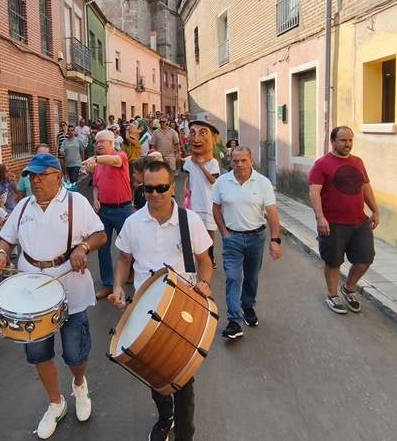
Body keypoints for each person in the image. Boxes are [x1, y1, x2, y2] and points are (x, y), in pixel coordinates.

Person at [0, 154, 107, 439]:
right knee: (39, 353)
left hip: (71, 287)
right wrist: (1, 252)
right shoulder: (24, 205)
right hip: (31, 292)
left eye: (41, 175)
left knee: (75, 352)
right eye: (32, 176)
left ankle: (79, 384)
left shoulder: (76, 202)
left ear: (57, 175)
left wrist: (83, 249)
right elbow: (7, 237)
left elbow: (100, 234)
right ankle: (56, 402)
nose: (35, 181)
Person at [108, 160, 213, 441]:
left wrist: (204, 283)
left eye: (161, 188)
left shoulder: (189, 221)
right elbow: (123, 260)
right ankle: (166, 417)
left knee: (182, 376)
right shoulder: (132, 222)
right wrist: (118, 286)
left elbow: (205, 262)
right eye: (148, 188)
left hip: (181, 305)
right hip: (143, 306)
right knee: (155, 372)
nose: (154, 194)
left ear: (172, 188)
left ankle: (185, 434)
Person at [211, 147, 283, 340]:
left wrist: (275, 240)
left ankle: (247, 306)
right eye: (235, 161)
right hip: (232, 238)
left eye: (243, 160)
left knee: (251, 276)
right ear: (230, 162)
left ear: (251, 160)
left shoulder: (262, 183)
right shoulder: (222, 182)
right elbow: (216, 208)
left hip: (256, 238)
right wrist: (224, 232)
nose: (239, 165)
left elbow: (272, 213)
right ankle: (234, 321)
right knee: (233, 277)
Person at [308, 127, 381, 314]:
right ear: (333, 141)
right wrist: (320, 217)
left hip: (359, 221)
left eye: (350, 140)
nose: (347, 144)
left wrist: (375, 210)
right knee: (333, 262)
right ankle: (332, 295)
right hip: (333, 222)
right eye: (343, 140)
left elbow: (366, 187)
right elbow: (314, 191)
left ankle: (348, 288)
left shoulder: (358, 162)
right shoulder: (322, 164)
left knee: (365, 259)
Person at [81, 129, 133, 300]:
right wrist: (95, 199)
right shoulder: (98, 165)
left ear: (112, 143)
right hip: (104, 210)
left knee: (129, 245)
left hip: (122, 209)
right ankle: (108, 283)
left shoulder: (121, 157)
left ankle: (132, 273)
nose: (99, 144)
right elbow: (96, 185)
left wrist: (94, 158)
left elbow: (115, 161)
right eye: (97, 142)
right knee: (103, 247)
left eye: (103, 141)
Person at [183, 120, 222, 269]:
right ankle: (196, 257)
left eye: (202, 133)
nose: (196, 138)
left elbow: (213, 181)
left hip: (208, 202)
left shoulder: (213, 163)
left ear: (214, 138)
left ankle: (210, 256)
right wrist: (185, 192)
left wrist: (201, 165)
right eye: (192, 133)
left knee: (209, 231)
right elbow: (188, 178)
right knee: (193, 231)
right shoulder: (189, 162)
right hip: (194, 202)